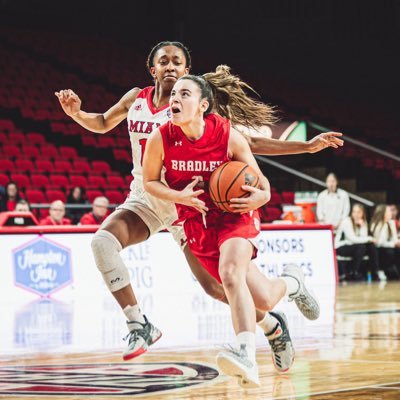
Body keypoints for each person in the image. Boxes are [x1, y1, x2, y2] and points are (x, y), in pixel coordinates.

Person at [55, 41, 337, 363]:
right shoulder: (136, 99)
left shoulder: (194, 106)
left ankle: (272, 324)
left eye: (178, 62)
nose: (171, 66)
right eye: (164, 61)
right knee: (102, 243)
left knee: (217, 289)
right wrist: (77, 113)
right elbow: (104, 122)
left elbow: (251, 142)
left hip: (189, 205)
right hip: (147, 197)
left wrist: (305, 147)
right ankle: (138, 322)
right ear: (153, 69)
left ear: (187, 71)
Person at [143, 68, 320, 387]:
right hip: (197, 221)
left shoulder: (226, 135)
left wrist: (261, 196)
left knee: (229, 273)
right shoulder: (161, 138)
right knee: (264, 299)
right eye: (173, 94)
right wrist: (178, 195)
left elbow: (261, 182)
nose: (175, 99)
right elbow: (150, 181)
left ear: (203, 105)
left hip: (235, 213)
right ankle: (292, 283)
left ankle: (245, 354)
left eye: (185, 94)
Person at [335, 203, 380, 281]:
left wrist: (363, 226)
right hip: (341, 246)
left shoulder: (363, 222)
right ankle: (354, 272)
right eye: (354, 212)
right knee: (361, 247)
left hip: (354, 246)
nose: (356, 214)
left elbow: (363, 238)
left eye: (359, 212)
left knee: (371, 246)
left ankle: (374, 272)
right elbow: (352, 239)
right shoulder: (346, 221)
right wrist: (369, 238)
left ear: (362, 213)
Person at [370, 204, 400, 279]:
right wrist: (394, 244)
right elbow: (380, 242)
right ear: (383, 213)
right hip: (379, 249)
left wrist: (397, 242)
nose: (391, 213)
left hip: (388, 247)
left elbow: (394, 239)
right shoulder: (376, 224)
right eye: (389, 211)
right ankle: (382, 270)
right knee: (390, 251)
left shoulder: (391, 223)